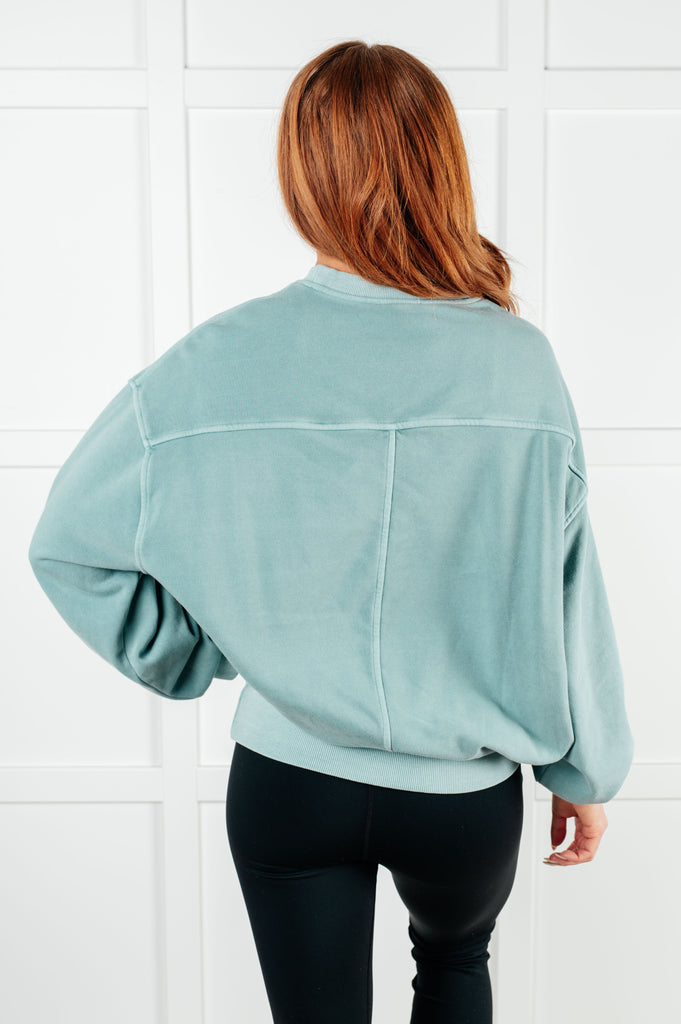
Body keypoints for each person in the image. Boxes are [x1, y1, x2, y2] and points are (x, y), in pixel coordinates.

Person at [28, 39, 634, 1024]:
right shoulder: (519, 364)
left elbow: (68, 542)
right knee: (455, 970)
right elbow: (569, 586)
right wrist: (586, 771)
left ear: (302, 173)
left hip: (290, 779)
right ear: (441, 166)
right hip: (462, 797)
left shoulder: (214, 361)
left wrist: (200, 650)